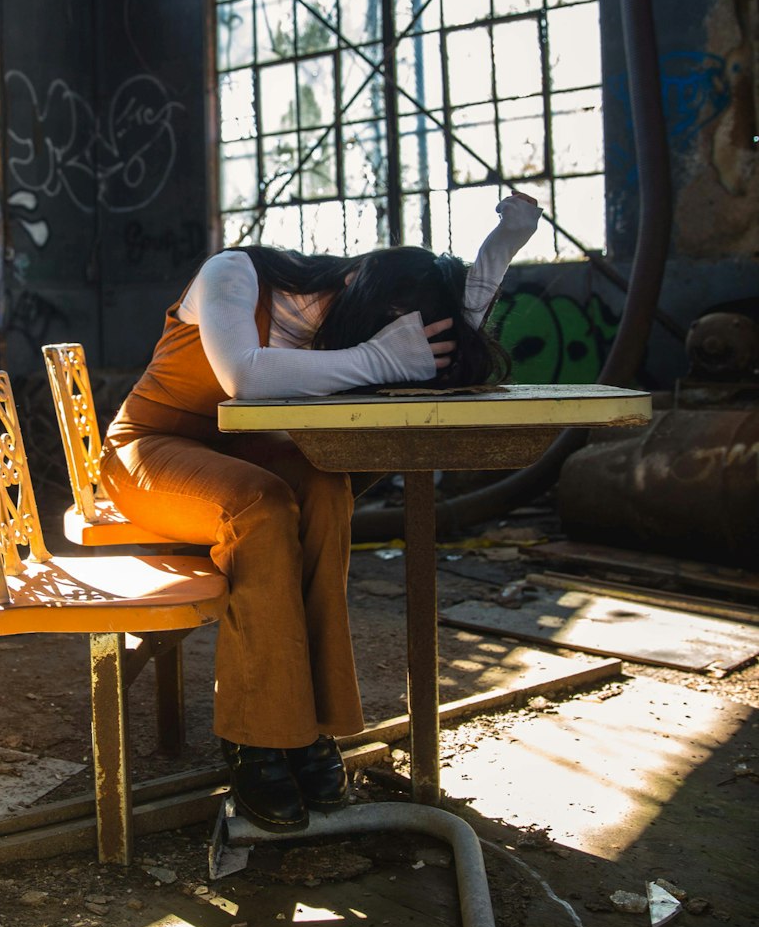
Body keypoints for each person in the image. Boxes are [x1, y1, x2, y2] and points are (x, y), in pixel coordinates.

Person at [99, 190, 541, 832]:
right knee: (263, 505)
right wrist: (377, 358)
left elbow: (428, 334)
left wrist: (495, 256)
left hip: (250, 453)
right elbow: (243, 379)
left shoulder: (365, 300)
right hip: (150, 451)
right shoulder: (234, 273)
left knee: (328, 491)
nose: (383, 349)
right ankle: (257, 738)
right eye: (386, 335)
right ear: (366, 291)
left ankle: (308, 728)